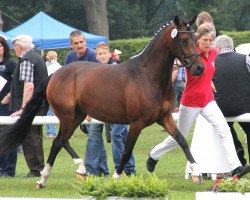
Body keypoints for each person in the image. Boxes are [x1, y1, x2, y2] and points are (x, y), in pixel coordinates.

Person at [146, 22, 250, 178]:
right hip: (190, 103)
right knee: (178, 137)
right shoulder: (191, 55)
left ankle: (236, 167)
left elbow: (209, 71)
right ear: (198, 40)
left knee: (224, 130)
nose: (207, 44)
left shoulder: (215, 53)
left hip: (208, 101)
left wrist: (210, 80)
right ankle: (154, 154)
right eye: (204, 40)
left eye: (210, 40)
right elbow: (175, 65)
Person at [64, 30, 109, 176]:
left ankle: (90, 170)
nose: (79, 45)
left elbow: (98, 84)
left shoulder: (93, 57)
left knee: (93, 135)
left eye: (81, 42)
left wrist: (91, 108)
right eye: (76, 43)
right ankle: (103, 170)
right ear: (71, 45)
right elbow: (65, 82)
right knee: (95, 136)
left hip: (97, 103)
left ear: (85, 42)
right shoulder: (70, 57)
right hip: (79, 105)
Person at [95, 42, 136, 175]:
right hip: (110, 109)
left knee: (117, 135)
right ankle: (130, 169)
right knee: (123, 137)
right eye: (99, 54)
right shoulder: (97, 70)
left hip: (121, 108)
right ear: (96, 57)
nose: (102, 56)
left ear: (109, 54)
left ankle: (120, 167)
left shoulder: (114, 66)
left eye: (104, 53)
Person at [10, 35, 48, 178]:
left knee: (30, 136)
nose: (14, 49)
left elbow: (29, 86)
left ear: (19, 46)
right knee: (35, 136)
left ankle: (35, 169)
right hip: (39, 104)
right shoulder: (36, 57)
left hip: (32, 106)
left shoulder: (26, 60)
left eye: (15, 46)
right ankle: (38, 168)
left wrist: (23, 109)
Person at [212, 35, 250, 165]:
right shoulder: (245, 59)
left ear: (218, 47)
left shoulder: (211, 63)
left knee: (225, 130)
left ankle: (237, 149)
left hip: (222, 107)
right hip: (245, 106)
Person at [0, 36, 17, 177]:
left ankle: (9, 169)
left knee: (7, 136)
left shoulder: (11, 64)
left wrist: (8, 96)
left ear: (4, 48)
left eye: (0, 46)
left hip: (7, 105)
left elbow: (17, 84)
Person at [45, 51, 62, 139]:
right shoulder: (59, 67)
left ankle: (50, 132)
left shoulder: (45, 66)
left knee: (49, 112)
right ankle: (53, 131)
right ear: (56, 57)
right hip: (58, 92)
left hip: (46, 90)